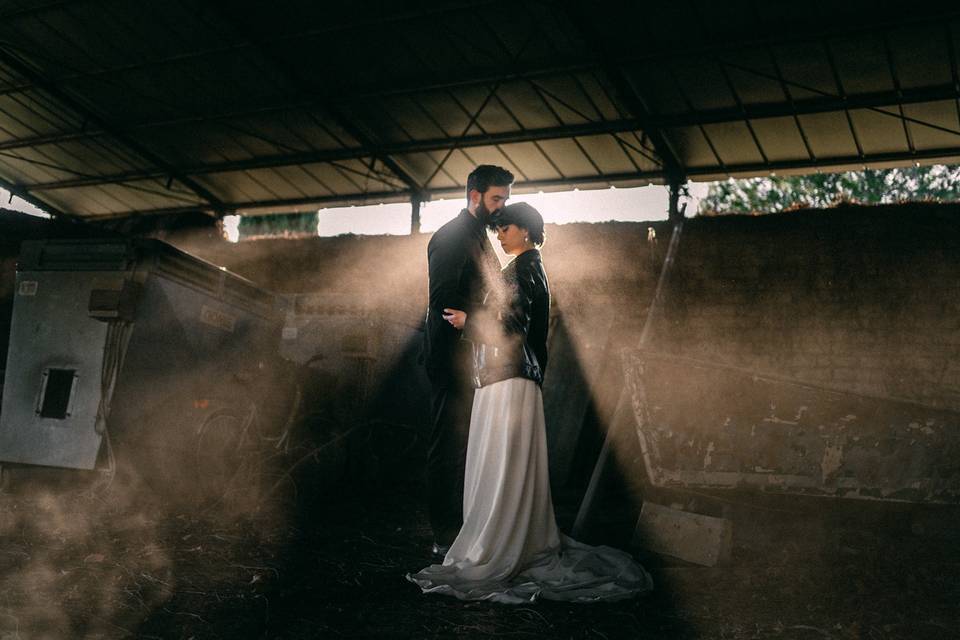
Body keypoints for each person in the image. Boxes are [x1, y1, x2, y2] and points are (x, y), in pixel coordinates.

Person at [408, 203, 653, 603]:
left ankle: (499, 544)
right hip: (509, 377)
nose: (499, 236)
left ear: (524, 231)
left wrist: (468, 322)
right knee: (503, 463)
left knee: (501, 462)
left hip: (508, 378)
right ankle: (506, 537)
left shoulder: (523, 269)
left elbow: (513, 326)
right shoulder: (528, 267)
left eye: (504, 229)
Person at [421, 164, 514, 556]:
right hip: (452, 358)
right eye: (496, 199)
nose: (501, 207)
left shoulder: (479, 235)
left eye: (505, 200)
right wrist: (481, 324)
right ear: (474, 196)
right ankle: (444, 536)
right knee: (450, 445)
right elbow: (444, 304)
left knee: (467, 446)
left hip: (472, 356)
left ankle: (462, 528)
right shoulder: (452, 237)